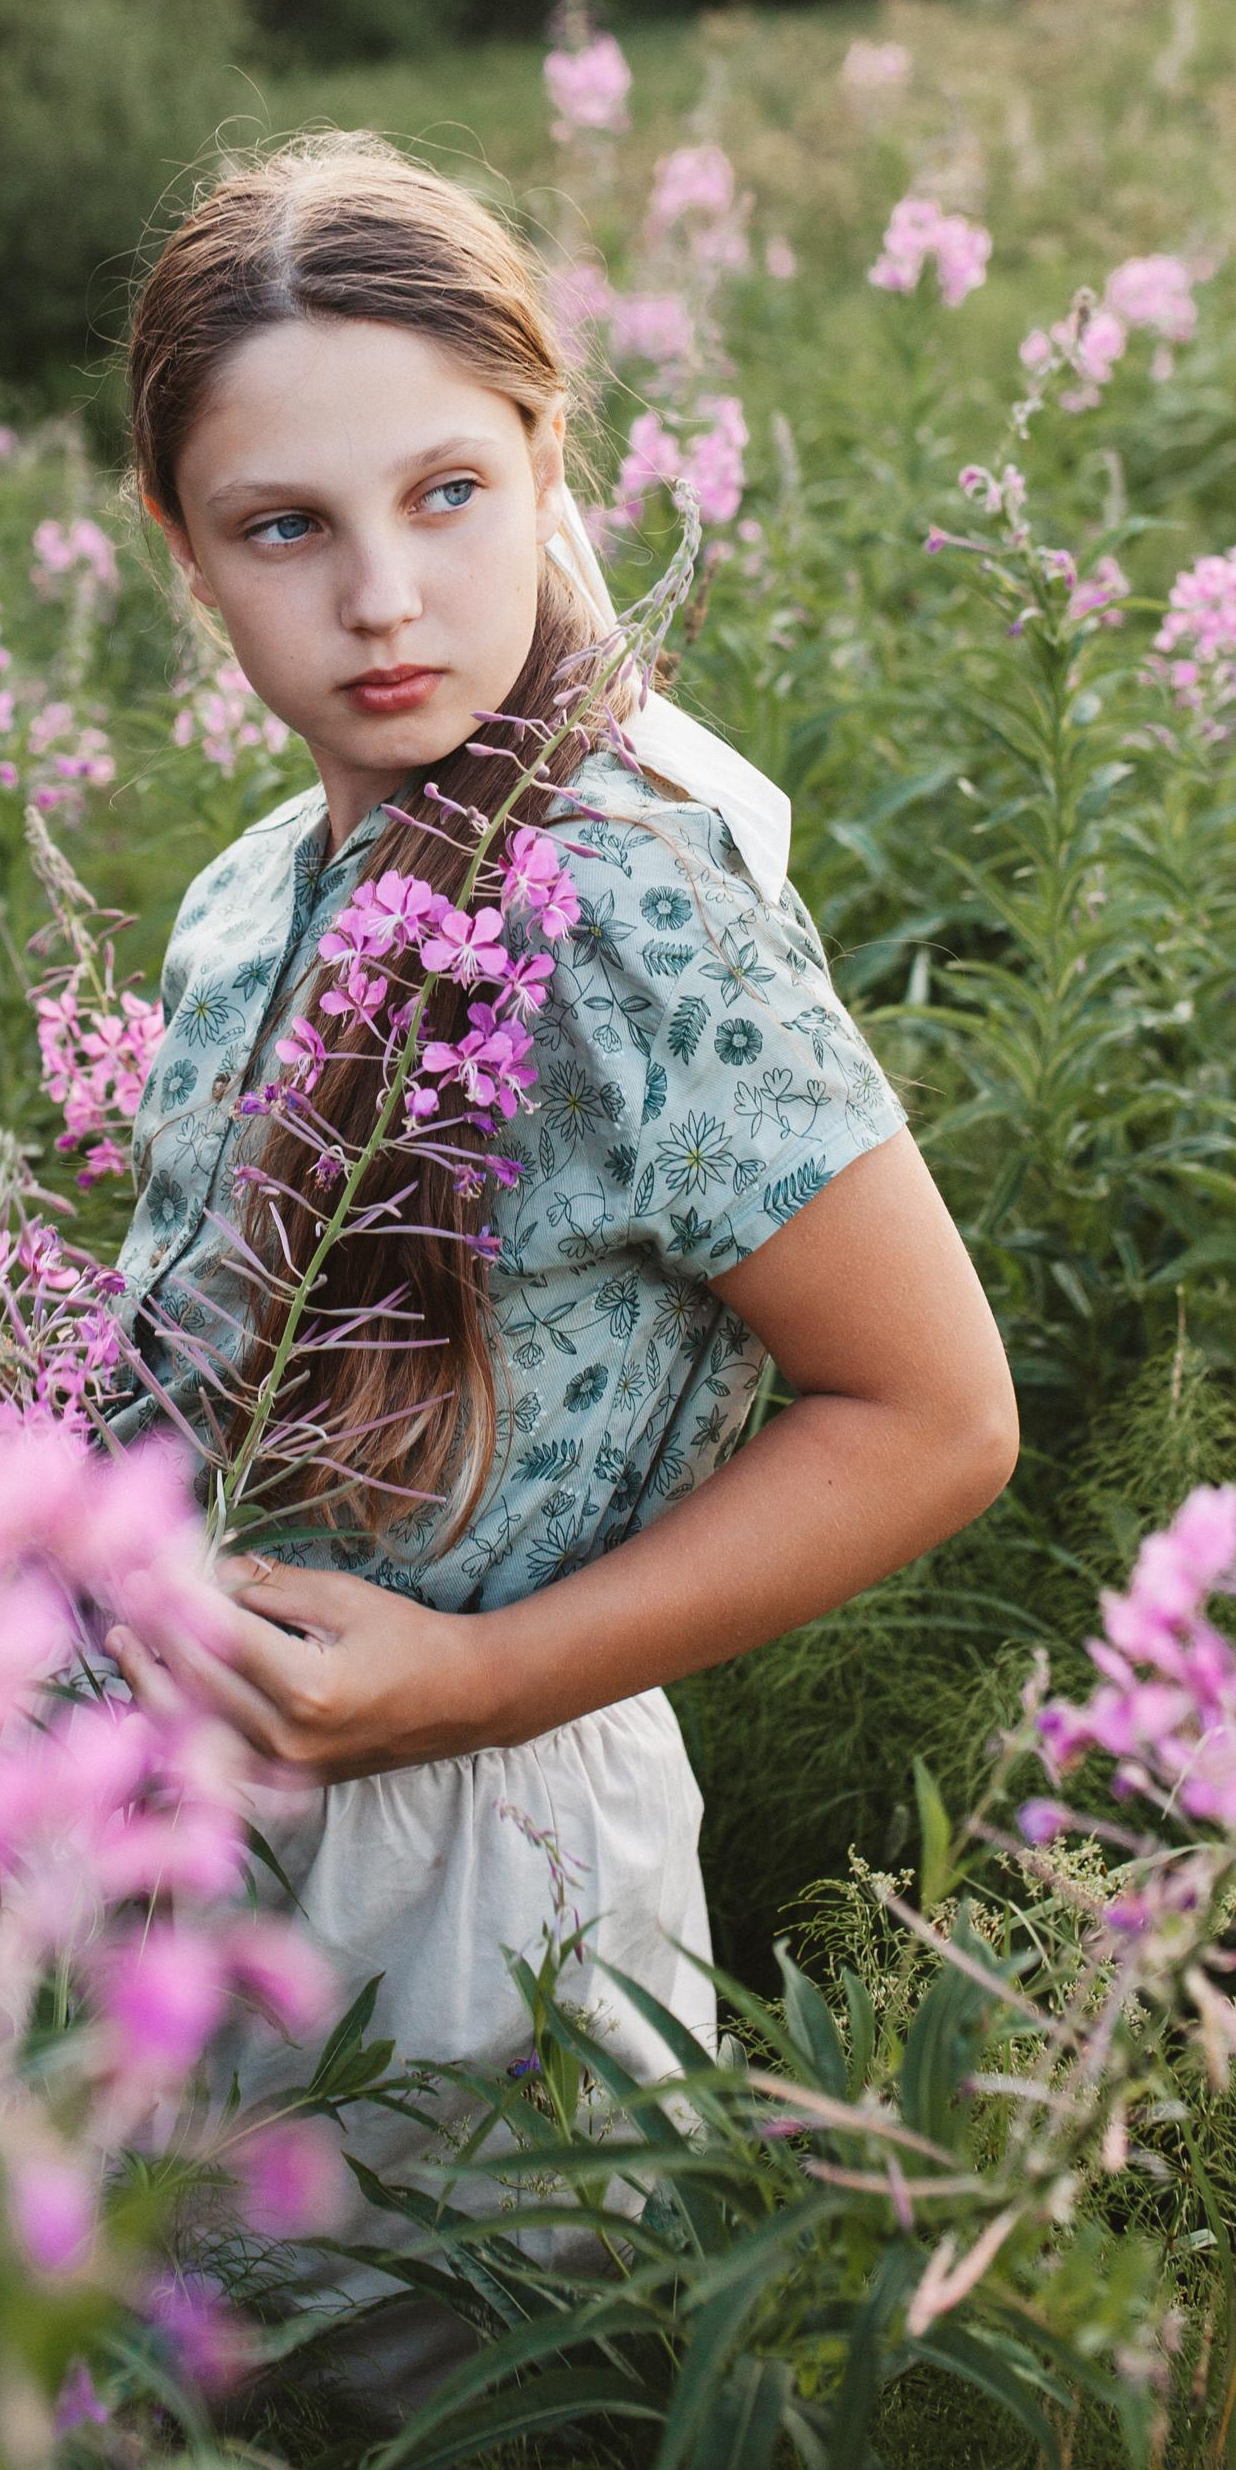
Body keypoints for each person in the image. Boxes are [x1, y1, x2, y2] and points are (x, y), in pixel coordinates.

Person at [98, 133, 1018, 2249]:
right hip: (187, 1820)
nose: (385, 597)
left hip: (476, 1857)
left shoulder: (626, 915)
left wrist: (480, 1682)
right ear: (181, 545)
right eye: (282, 527)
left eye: (445, 492)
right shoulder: (252, 900)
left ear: (541, 451)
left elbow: (939, 1417)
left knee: (445, 2415)